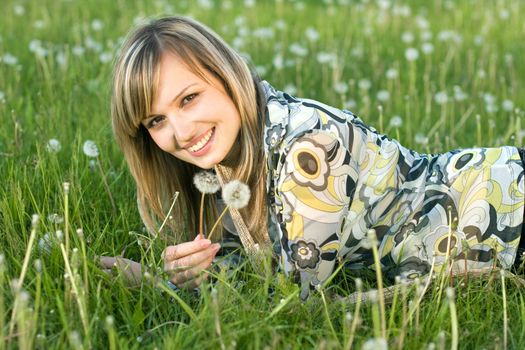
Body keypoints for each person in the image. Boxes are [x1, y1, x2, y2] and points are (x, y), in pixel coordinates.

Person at [101, 16, 525, 300]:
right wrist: (199, 273)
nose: (181, 132)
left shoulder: (310, 147)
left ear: (225, 75)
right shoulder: (221, 165)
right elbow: (253, 275)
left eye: (189, 98)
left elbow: (296, 304)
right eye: (156, 120)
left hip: (508, 207)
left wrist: (159, 289)